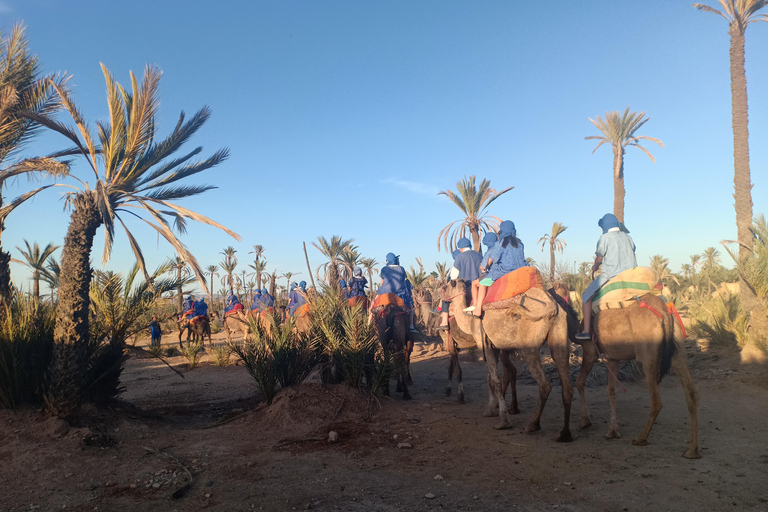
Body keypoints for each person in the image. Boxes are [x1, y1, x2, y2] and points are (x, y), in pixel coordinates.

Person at [576, 213, 637, 340]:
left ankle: (586, 330)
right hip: (631, 275)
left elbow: (599, 257)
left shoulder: (605, 238)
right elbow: (633, 250)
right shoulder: (628, 237)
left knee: (586, 298)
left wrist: (595, 266)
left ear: (604, 227)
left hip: (611, 275)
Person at [467, 220, 527, 317]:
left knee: (483, 283)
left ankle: (477, 309)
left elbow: (492, 258)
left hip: (503, 272)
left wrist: (486, 267)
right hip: (520, 271)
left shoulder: (501, 243)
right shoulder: (519, 243)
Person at [437, 237, 483, 331]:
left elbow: (454, 277)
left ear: (460, 248)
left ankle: (444, 321)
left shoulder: (460, 257)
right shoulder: (479, 255)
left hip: (466, 289)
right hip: (480, 288)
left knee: (445, 297)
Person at [377, 252, 417, 332]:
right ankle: (411, 326)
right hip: (400, 295)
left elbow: (381, 283)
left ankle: (370, 324)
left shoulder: (384, 269)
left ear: (388, 260)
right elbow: (403, 281)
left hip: (386, 294)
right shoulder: (401, 268)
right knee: (411, 307)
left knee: (375, 305)